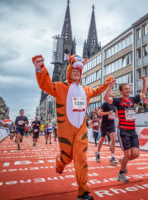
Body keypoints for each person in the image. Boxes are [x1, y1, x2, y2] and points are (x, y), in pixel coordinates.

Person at [32, 54, 112, 200]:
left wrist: (107, 84)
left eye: (78, 72)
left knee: (81, 158)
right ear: (69, 72)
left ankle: (83, 191)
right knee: (66, 158)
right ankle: (59, 164)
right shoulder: (60, 87)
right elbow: (45, 85)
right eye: (74, 71)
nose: (76, 73)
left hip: (81, 131)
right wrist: (40, 68)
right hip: (66, 132)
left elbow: (96, 91)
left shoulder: (86, 90)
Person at [104, 75, 146, 183]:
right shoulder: (118, 101)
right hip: (123, 130)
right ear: (121, 91)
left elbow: (143, 93)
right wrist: (110, 86)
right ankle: (121, 173)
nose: (128, 90)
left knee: (136, 154)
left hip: (132, 131)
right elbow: (106, 98)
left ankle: (123, 161)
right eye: (126, 89)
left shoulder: (133, 99)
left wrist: (144, 81)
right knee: (127, 154)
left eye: (129, 88)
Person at [95, 93, 118, 164]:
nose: (113, 98)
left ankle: (112, 157)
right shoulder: (105, 104)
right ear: (109, 97)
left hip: (111, 124)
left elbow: (116, 114)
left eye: (114, 97)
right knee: (102, 139)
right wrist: (108, 113)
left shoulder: (114, 106)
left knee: (113, 140)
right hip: (104, 124)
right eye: (112, 97)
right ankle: (98, 153)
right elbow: (99, 113)